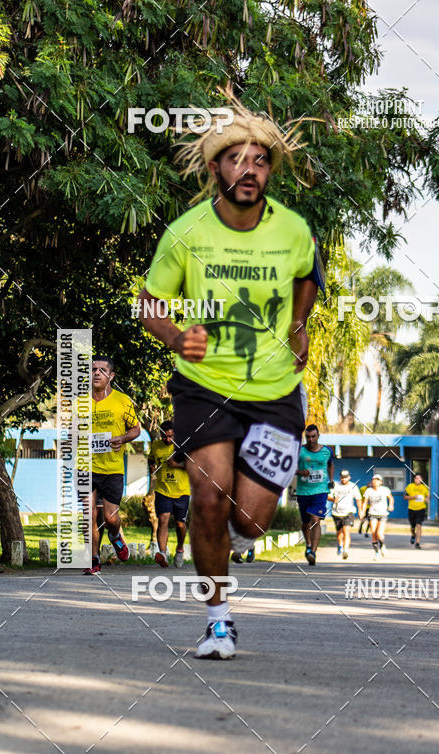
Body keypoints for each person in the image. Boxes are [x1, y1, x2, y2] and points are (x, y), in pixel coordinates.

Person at [137, 94, 322, 658]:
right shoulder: (186, 232)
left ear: (268, 171)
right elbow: (150, 304)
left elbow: (306, 279)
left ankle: (260, 467)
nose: (249, 168)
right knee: (209, 498)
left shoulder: (292, 229)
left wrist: (297, 326)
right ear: (216, 168)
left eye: (260, 160)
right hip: (204, 382)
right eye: (237, 158)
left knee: (250, 522)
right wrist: (175, 337)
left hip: (273, 393)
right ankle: (219, 621)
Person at [83, 357, 141, 575]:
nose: (96, 373)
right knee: (89, 516)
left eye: (102, 370)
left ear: (111, 376)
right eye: (92, 370)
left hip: (113, 468)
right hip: (87, 467)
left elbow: (136, 429)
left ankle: (115, 535)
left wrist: (123, 438)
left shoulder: (122, 401)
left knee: (109, 518)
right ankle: (93, 559)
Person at [148, 420, 190, 568]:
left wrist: (177, 465)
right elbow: (151, 459)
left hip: (182, 492)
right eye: (164, 436)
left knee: (180, 524)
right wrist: (151, 468)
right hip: (163, 490)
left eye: (170, 436)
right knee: (163, 518)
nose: (167, 439)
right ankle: (163, 553)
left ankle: (179, 549)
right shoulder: (156, 446)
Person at [296, 424, 335, 565]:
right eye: (308, 437)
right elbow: (290, 468)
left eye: (313, 436)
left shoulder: (327, 451)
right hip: (303, 491)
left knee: (315, 519)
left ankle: (313, 552)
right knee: (306, 523)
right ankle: (308, 545)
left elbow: (331, 465)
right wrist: (300, 472)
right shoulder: (299, 451)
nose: (311, 439)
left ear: (318, 436)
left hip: (320, 490)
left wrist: (331, 480)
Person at [328, 470, 362, 559]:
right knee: (339, 533)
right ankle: (340, 545)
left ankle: (345, 550)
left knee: (346, 531)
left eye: (345, 477)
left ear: (349, 477)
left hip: (349, 512)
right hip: (336, 512)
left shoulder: (353, 486)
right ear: (340, 477)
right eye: (342, 477)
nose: (344, 479)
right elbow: (327, 496)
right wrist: (333, 499)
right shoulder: (335, 485)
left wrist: (360, 510)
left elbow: (358, 499)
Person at [362, 474, 394, 559]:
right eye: (373, 480)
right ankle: (376, 553)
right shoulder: (368, 490)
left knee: (379, 533)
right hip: (372, 513)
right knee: (373, 533)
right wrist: (362, 511)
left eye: (377, 480)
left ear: (381, 482)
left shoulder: (385, 490)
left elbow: (390, 498)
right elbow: (365, 502)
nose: (375, 481)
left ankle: (382, 545)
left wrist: (391, 505)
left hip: (383, 514)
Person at [404, 473, 430, 549]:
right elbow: (405, 497)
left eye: (419, 478)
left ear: (421, 480)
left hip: (421, 509)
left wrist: (427, 499)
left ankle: (417, 543)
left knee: (419, 525)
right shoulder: (410, 486)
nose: (417, 480)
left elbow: (428, 497)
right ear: (414, 479)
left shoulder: (424, 488)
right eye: (416, 478)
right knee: (412, 527)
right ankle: (413, 534)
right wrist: (413, 497)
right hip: (411, 509)